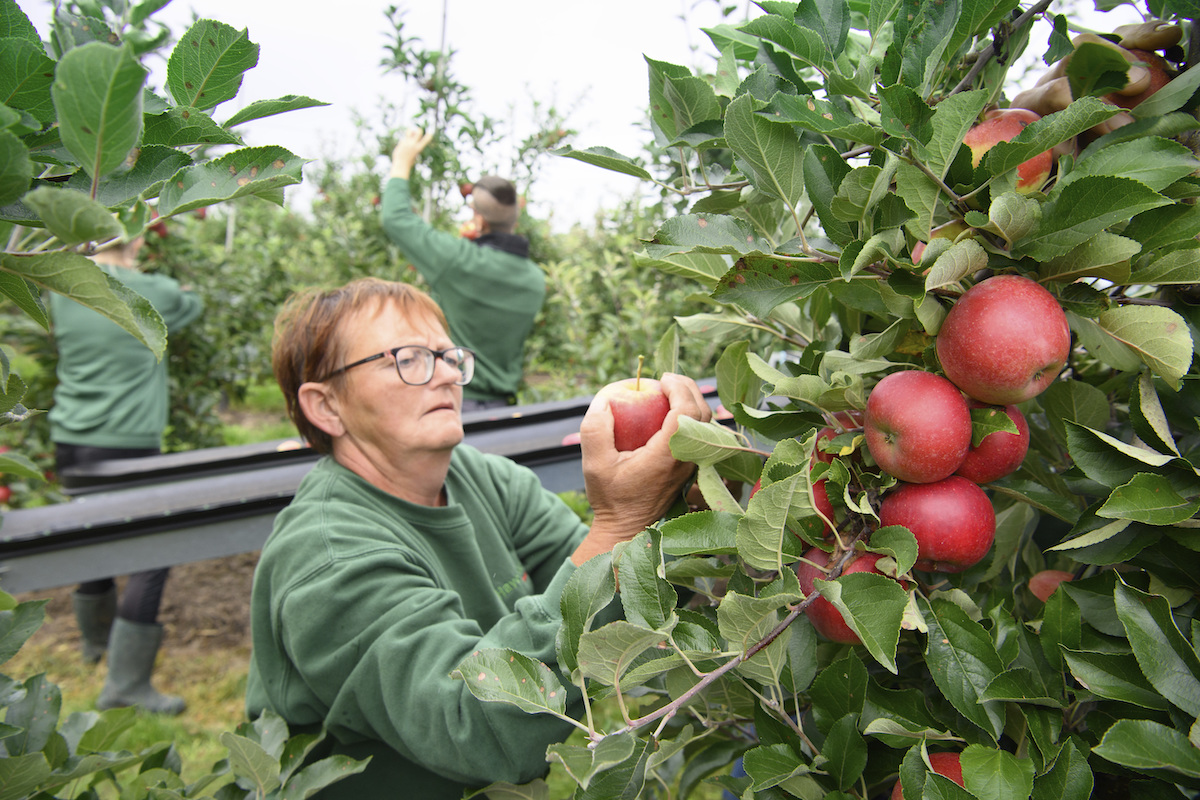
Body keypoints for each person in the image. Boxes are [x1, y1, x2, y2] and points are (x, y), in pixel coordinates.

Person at [245, 277, 711, 799]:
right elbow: (475, 728)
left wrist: (690, 505)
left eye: (449, 356)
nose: (446, 375)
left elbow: (619, 600)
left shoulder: (485, 481)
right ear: (326, 406)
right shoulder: (327, 555)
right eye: (409, 358)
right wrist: (622, 524)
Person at [49, 229, 203, 715]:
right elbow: (190, 306)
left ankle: (96, 645)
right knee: (152, 554)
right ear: (136, 242)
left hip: (70, 442)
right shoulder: (148, 292)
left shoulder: (63, 291)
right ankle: (126, 685)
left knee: (91, 536)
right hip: (129, 445)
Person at [380, 128, 545, 411]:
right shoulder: (535, 280)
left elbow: (396, 218)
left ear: (478, 220)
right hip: (503, 407)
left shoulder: (457, 261)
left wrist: (402, 161)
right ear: (515, 218)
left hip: (452, 400)